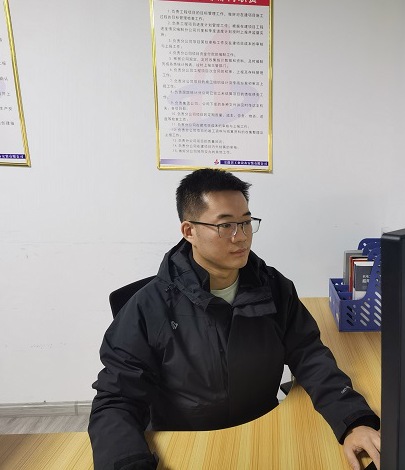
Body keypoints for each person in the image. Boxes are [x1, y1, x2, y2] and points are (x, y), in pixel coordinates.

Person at [88, 169, 381, 470]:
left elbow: (309, 355)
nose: (240, 236)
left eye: (245, 222)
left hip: (262, 433)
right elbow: (116, 399)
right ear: (189, 231)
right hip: (184, 445)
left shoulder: (274, 288)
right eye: (225, 225)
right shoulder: (148, 307)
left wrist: (353, 421)